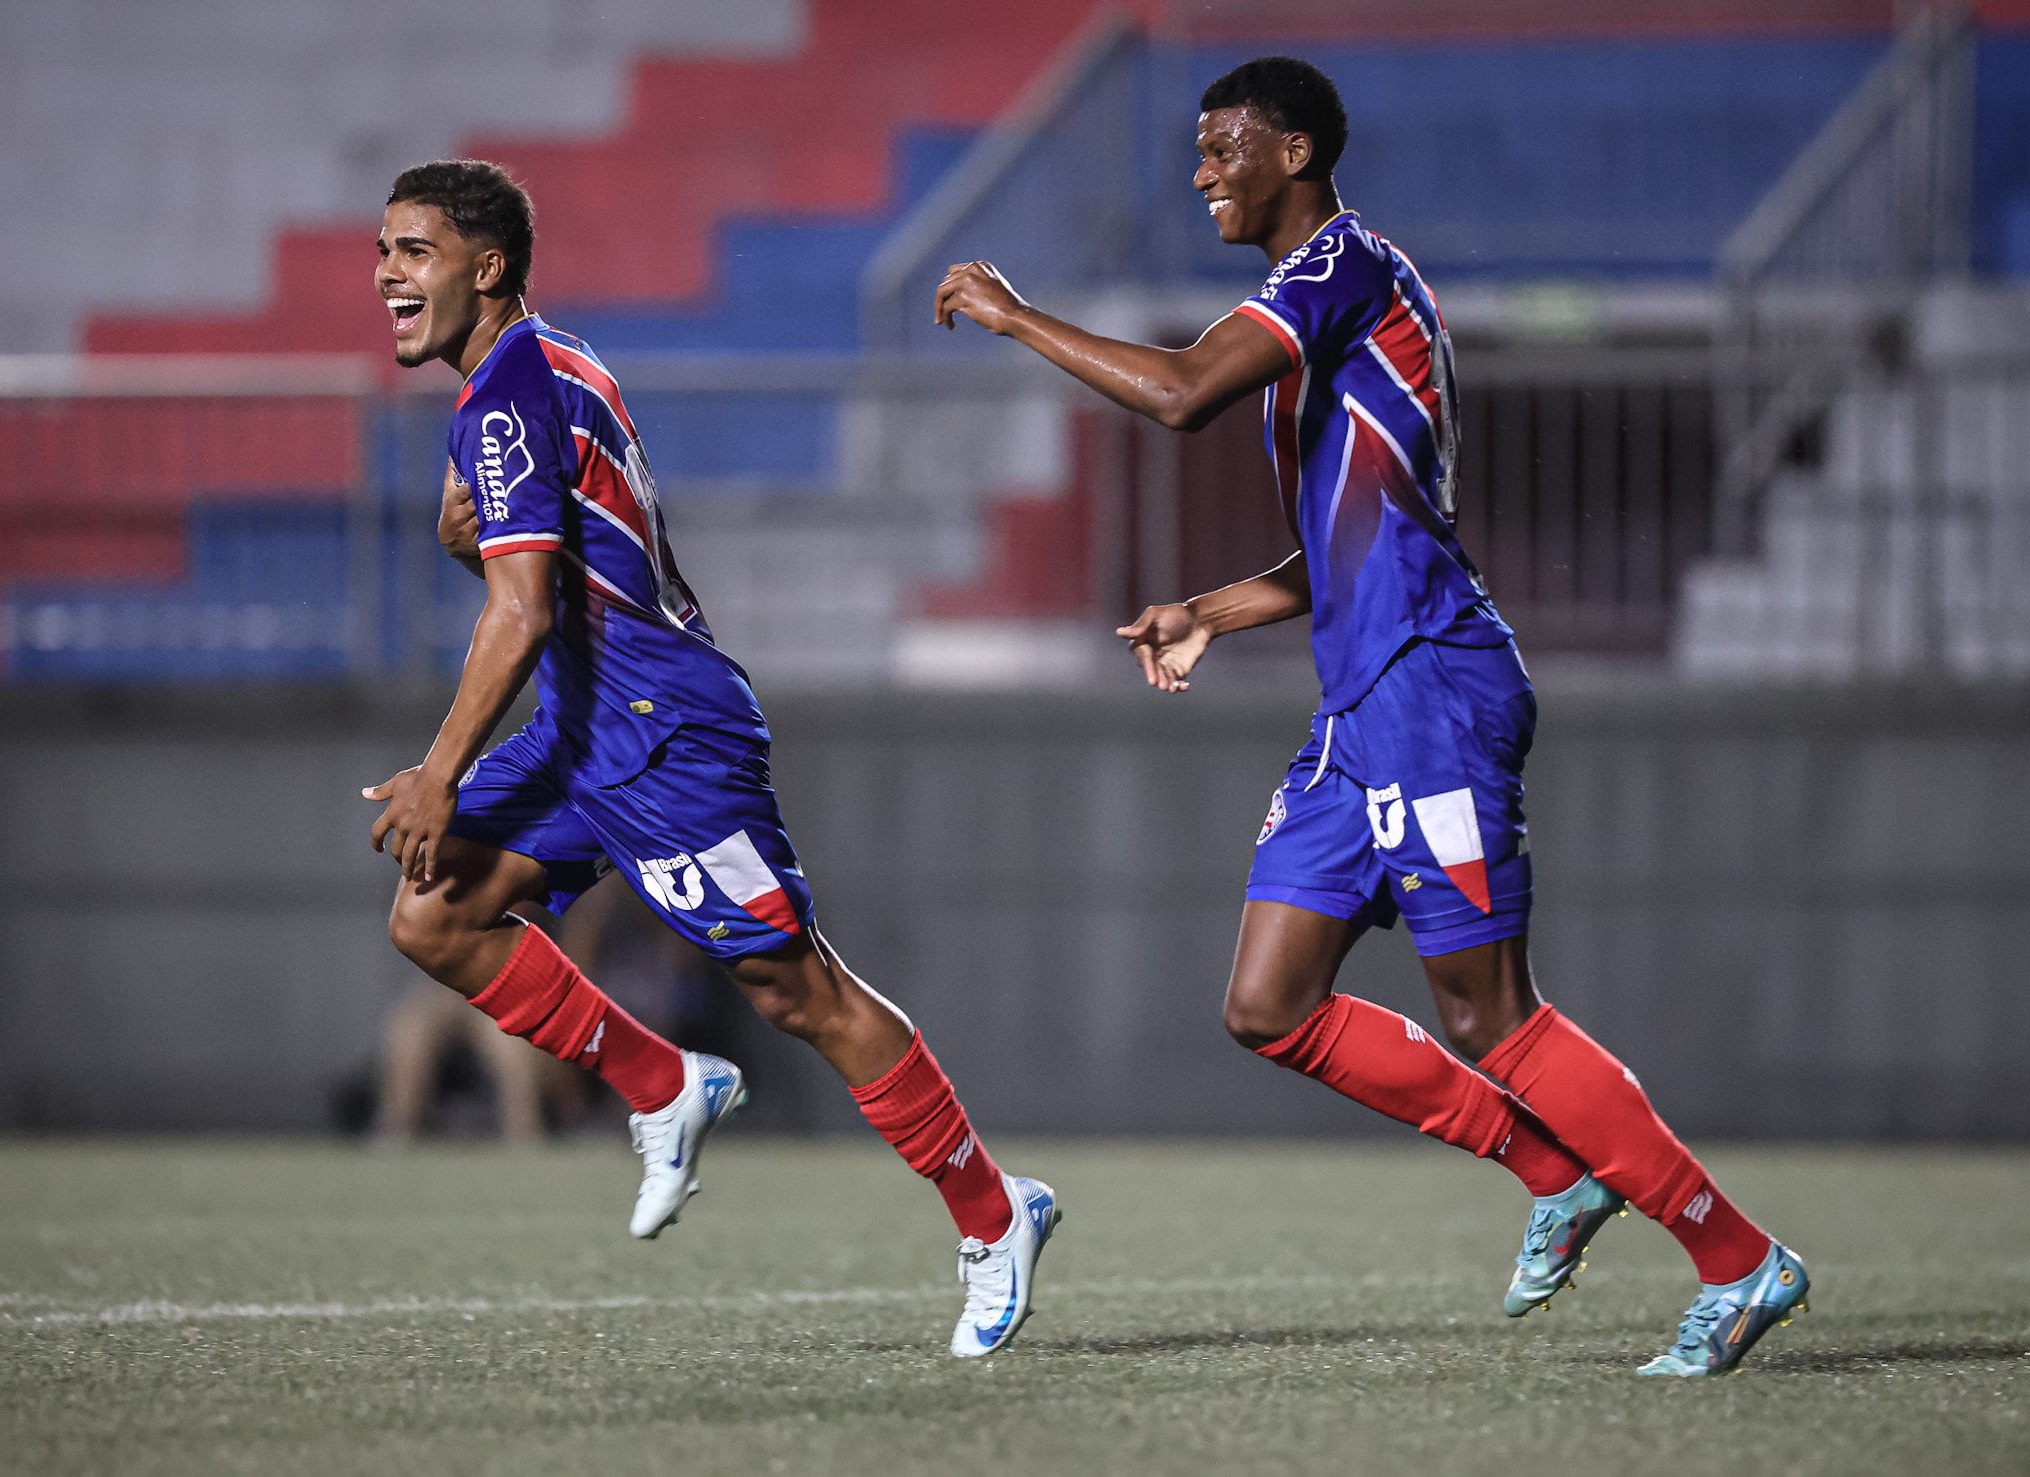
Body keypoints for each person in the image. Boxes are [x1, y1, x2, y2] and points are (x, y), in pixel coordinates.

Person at [934, 57, 1806, 1377]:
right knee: (1269, 1003)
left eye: (1224, 145)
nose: (1201, 169)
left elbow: (1177, 396)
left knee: (1490, 1014)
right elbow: (1356, 540)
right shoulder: (1341, 307)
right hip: (1364, 704)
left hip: (1433, 688)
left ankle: (1740, 1259)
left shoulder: (1342, 270)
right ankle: (1554, 1176)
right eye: (1198, 146)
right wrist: (1215, 609)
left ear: (1294, 150)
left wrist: (1017, 316)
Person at [365, 159, 1057, 1357]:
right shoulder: (547, 364)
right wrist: (462, 538)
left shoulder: (508, 394)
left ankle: (996, 1215)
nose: (385, 272)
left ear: (486, 268)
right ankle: (663, 1085)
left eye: (412, 251)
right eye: (381, 250)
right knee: (433, 918)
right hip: (588, 726)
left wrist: (438, 766)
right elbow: (533, 571)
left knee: (800, 991)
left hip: (665, 732)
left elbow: (521, 611)